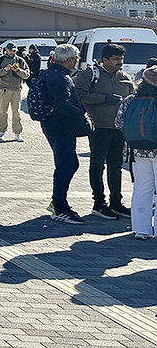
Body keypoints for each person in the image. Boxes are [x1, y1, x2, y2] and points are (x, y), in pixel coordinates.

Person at [74, 43, 133, 220]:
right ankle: (99, 203)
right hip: (98, 128)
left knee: (116, 166)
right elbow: (78, 95)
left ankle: (116, 202)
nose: (119, 62)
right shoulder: (90, 75)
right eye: (115, 59)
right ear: (105, 59)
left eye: (121, 59)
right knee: (97, 165)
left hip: (118, 130)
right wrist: (104, 99)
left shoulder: (125, 77)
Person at [38, 44, 92, 224]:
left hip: (53, 125)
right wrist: (80, 113)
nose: (77, 61)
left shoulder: (50, 73)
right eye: (76, 58)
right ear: (69, 60)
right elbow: (62, 103)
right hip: (60, 127)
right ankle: (59, 206)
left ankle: (58, 203)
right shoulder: (60, 77)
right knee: (67, 165)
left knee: (67, 164)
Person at [115, 68, 157, 239]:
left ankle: (141, 229)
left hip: (137, 151)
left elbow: (118, 123)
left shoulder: (131, 99)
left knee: (142, 188)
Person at [0, 42, 30, 141]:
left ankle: (17, 133)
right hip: (3, 88)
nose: (13, 52)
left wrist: (18, 70)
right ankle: (2, 132)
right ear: (6, 50)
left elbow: (26, 74)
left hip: (16, 89)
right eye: (11, 50)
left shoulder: (20, 60)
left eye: (14, 50)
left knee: (16, 112)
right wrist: (5, 70)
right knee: (3, 112)